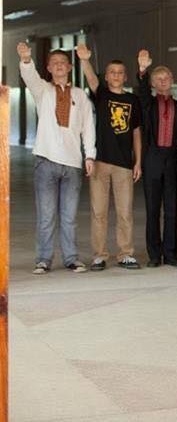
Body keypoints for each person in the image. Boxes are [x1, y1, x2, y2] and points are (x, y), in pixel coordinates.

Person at [18, 42, 96, 275]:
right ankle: (43, 259)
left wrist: (90, 155)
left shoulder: (80, 95)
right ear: (49, 68)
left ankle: (71, 258)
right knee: (46, 216)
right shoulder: (43, 91)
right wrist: (26, 60)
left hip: (72, 164)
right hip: (46, 161)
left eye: (63, 62)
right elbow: (30, 77)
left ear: (70, 67)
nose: (59, 66)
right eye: (55, 63)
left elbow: (88, 127)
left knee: (69, 217)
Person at [78, 45, 143, 271]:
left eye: (120, 72)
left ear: (125, 77)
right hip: (101, 162)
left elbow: (136, 132)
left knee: (125, 212)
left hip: (124, 164)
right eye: (112, 72)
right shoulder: (102, 95)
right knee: (99, 212)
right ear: (106, 77)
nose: (116, 75)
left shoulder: (133, 100)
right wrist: (85, 60)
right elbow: (90, 79)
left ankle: (125, 254)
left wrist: (138, 161)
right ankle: (100, 255)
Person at [136, 49, 177, 268]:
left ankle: (171, 254)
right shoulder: (148, 104)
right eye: (158, 79)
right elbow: (143, 92)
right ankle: (154, 255)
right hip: (153, 159)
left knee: (172, 209)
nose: (163, 81)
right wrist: (143, 70)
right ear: (153, 83)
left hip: (173, 159)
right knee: (153, 209)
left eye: (166, 78)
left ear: (172, 80)